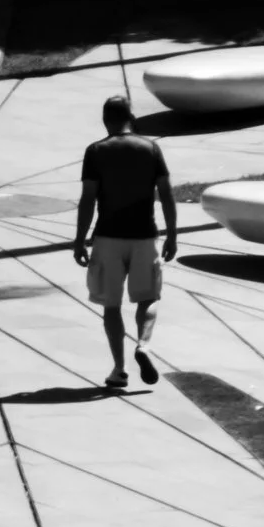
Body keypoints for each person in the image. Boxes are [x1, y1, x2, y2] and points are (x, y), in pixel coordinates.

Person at [72, 93, 179, 389]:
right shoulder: (151, 149)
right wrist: (172, 233)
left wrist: (80, 239)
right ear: (131, 118)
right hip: (144, 236)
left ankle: (119, 370)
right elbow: (167, 194)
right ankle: (143, 345)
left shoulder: (96, 151)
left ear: (106, 120)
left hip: (107, 238)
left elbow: (88, 199)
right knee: (148, 298)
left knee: (111, 306)